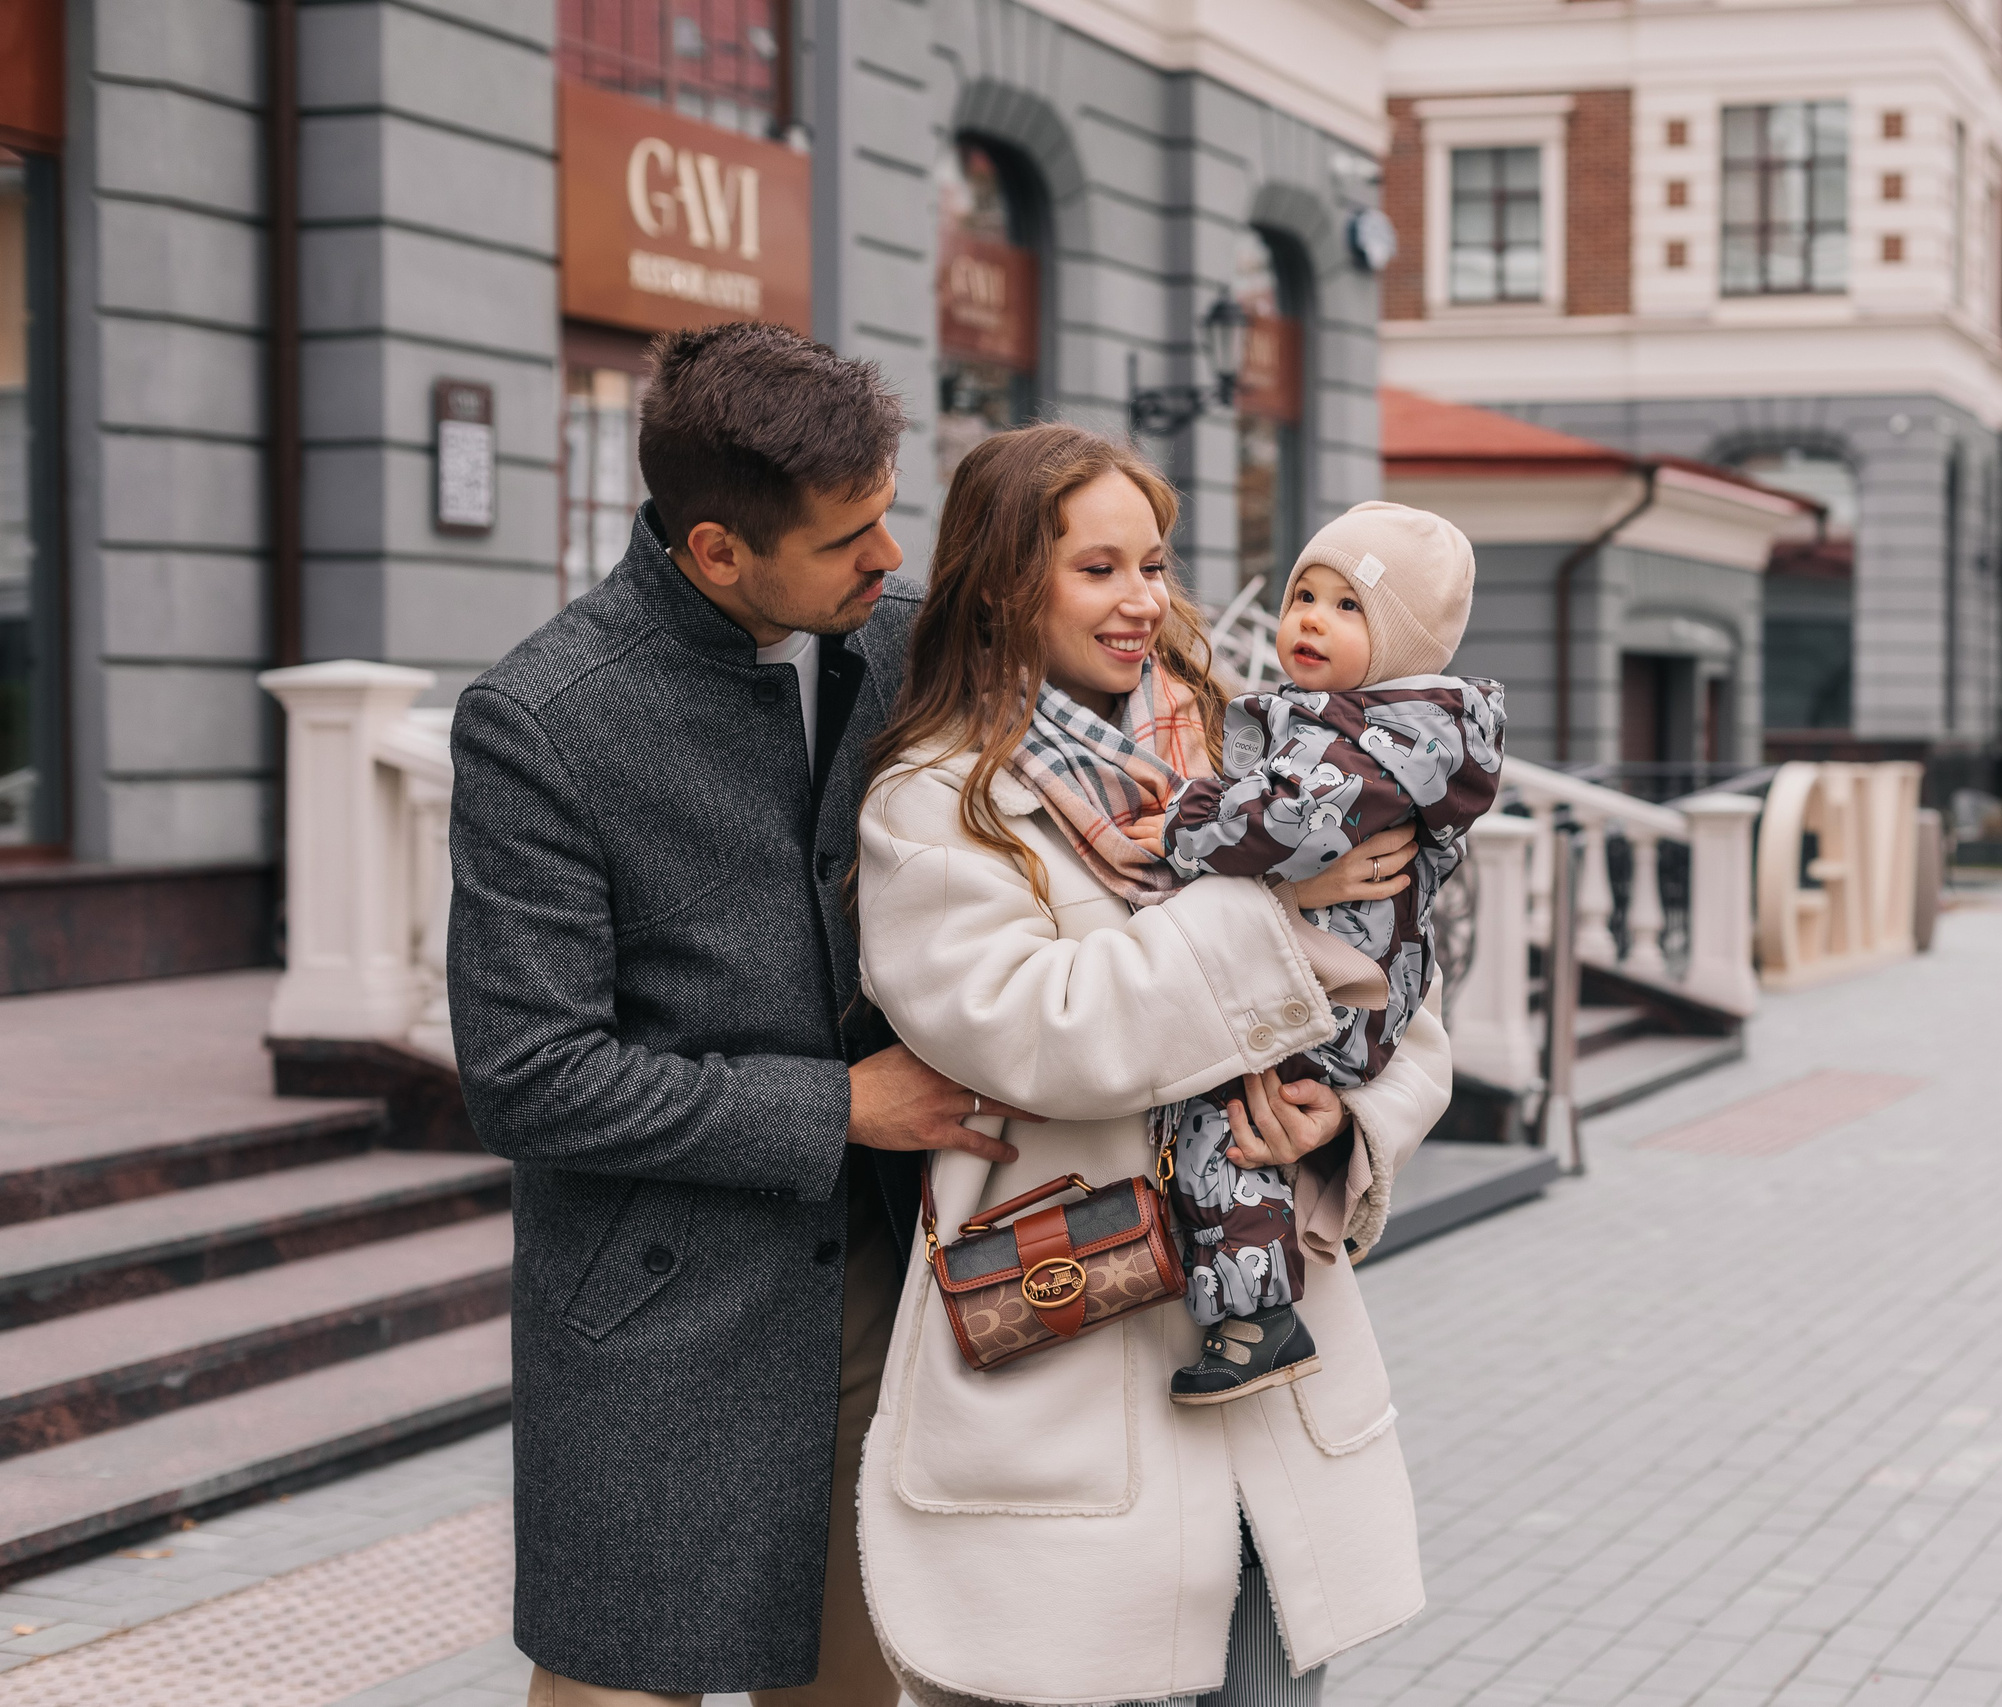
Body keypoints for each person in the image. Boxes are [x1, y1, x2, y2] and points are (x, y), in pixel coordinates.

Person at [446, 322, 1053, 1706]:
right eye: (850, 536)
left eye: (889, 515)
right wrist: (838, 1104)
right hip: (657, 1319)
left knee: (860, 1683)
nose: (890, 558)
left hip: (888, 1285)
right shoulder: (541, 718)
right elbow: (527, 1075)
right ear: (718, 549)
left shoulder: (905, 643)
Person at [855, 424, 1451, 1706]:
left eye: (1156, 564)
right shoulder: (936, 799)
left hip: (1265, 1379)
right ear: (1005, 584)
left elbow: (1416, 1010)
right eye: (1099, 569)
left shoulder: (1255, 756)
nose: (1144, 602)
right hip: (1080, 1354)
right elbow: (1043, 1026)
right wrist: (1271, 911)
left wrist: (1338, 1124)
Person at [1147, 502, 1505, 1404]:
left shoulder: (1377, 741)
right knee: (1228, 1123)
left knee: (1217, 1126)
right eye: (1304, 593)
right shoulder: (1366, 727)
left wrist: (1183, 829)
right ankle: (1251, 1306)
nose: (1310, 617)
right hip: (1345, 983)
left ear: (1404, 647)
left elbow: (1281, 823)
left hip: (1330, 995)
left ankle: (1256, 1312)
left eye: (1350, 609)